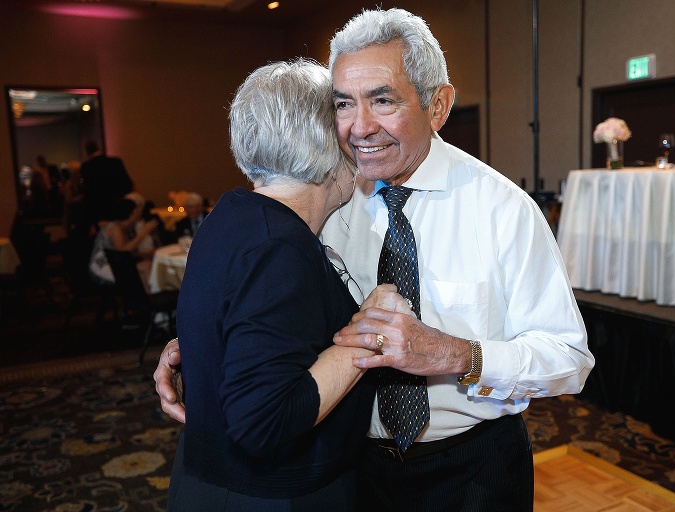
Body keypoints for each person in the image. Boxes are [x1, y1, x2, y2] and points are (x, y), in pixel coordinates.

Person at [156, 8, 594, 512]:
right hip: (350, 466)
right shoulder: (330, 193)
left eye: (382, 100)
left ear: (439, 105)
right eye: (344, 104)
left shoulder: (503, 210)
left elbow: (569, 359)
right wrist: (211, 341)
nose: (360, 128)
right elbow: (282, 306)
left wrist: (457, 355)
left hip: (473, 467)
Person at [165, 59, 413, 511]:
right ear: (328, 147)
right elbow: (264, 421)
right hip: (272, 496)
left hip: (211, 480)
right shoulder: (278, 245)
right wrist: (371, 330)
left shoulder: (231, 216)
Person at [88, 195, 158, 288]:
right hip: (102, 268)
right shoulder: (115, 228)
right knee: (145, 267)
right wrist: (144, 232)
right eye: (137, 209)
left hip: (113, 264)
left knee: (146, 265)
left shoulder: (121, 227)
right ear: (131, 213)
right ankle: (148, 298)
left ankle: (147, 298)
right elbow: (123, 251)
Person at [80, 140, 134, 229]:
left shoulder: (87, 167)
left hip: (100, 211)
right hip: (119, 208)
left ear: (87, 152)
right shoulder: (116, 162)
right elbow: (127, 185)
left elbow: (88, 193)